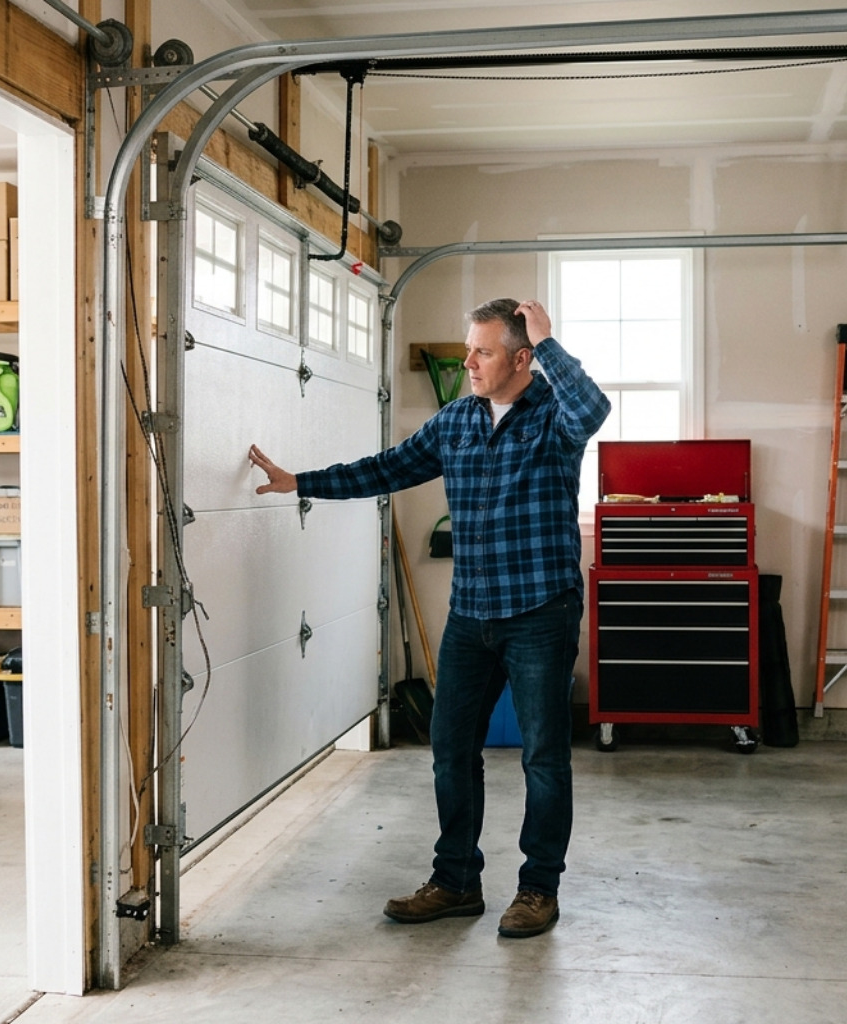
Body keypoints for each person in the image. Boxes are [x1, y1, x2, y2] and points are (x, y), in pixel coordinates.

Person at [248, 298, 610, 939]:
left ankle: (537, 890)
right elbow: (385, 468)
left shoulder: (555, 417)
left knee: (544, 759)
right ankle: (455, 882)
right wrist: (300, 481)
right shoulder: (456, 423)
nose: (468, 361)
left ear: (523, 359)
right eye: (469, 348)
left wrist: (552, 341)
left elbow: (594, 408)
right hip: (471, 615)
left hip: (540, 614)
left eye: (484, 351)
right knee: (449, 751)